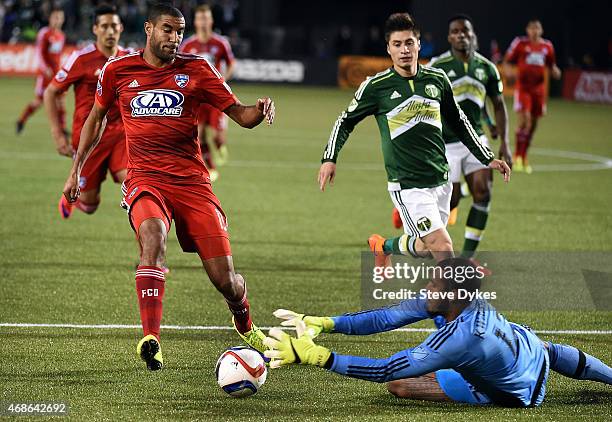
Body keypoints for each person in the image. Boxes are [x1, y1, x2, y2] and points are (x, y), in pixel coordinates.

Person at [61, 2, 275, 371]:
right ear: (148, 29)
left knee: (226, 281)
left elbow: (240, 114)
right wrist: (75, 171)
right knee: (153, 236)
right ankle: (151, 339)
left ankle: (244, 320)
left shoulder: (197, 69)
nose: (175, 38)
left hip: (192, 183)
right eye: (168, 30)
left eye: (179, 31)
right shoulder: (118, 70)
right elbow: (95, 119)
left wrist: (258, 110)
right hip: (145, 177)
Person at [264, 257, 612, 407]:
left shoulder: (461, 339)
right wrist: (326, 323)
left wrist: (321, 357)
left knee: (399, 385)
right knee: (542, 347)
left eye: (435, 283)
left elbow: (387, 369)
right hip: (530, 348)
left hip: (518, 393)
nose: (427, 287)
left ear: (453, 294)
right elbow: (387, 317)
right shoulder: (457, 302)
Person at [318, 13, 510, 265]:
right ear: (388, 48)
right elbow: (345, 121)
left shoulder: (437, 79)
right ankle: (456, 301)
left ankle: (382, 246)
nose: (404, 50)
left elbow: (460, 122)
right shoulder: (377, 87)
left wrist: (487, 158)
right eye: (397, 44)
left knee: (426, 246)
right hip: (408, 185)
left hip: (441, 179)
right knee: (443, 247)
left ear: (419, 44)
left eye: (409, 42)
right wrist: (329, 158)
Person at [427, 15, 512, 258]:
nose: (461, 35)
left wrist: (505, 142)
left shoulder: (487, 68)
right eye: (455, 31)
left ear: (472, 35)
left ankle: (466, 259)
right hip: (445, 144)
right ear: (449, 37)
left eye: (465, 31)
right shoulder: (437, 66)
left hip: (476, 142)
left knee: (483, 193)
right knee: (449, 202)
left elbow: (498, 104)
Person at [44, 4, 128, 219]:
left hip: (122, 135)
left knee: (135, 185)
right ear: (95, 29)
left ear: (121, 28)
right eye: (104, 26)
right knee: (89, 205)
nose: (110, 31)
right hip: (88, 138)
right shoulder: (81, 59)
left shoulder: (129, 59)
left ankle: (149, 246)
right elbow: (51, 92)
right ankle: (73, 197)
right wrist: (57, 134)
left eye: (114, 26)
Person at [179, 3, 236, 180]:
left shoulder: (220, 43)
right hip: (198, 97)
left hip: (217, 96)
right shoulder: (188, 45)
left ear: (211, 20)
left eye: (206, 18)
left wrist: (223, 79)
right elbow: (180, 67)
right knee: (200, 133)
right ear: (195, 21)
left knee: (219, 137)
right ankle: (209, 167)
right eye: (200, 18)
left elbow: (232, 63)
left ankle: (219, 147)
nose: (203, 21)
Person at [503, 19, 561, 173]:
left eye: (537, 28)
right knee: (526, 120)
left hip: (539, 90)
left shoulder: (547, 46)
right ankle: (516, 157)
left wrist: (555, 70)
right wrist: (508, 71)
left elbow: (551, 64)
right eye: (532, 28)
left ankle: (524, 156)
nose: (535, 31)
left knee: (533, 125)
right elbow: (507, 60)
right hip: (523, 89)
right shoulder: (520, 43)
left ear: (541, 31)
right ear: (527, 30)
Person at [17, 7, 66, 136]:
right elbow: (39, 52)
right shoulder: (44, 33)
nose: (58, 20)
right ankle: (21, 120)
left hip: (57, 74)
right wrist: (45, 69)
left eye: (60, 18)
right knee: (39, 102)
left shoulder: (61, 35)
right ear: (50, 18)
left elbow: (58, 55)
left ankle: (62, 128)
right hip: (46, 75)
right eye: (55, 17)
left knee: (61, 101)